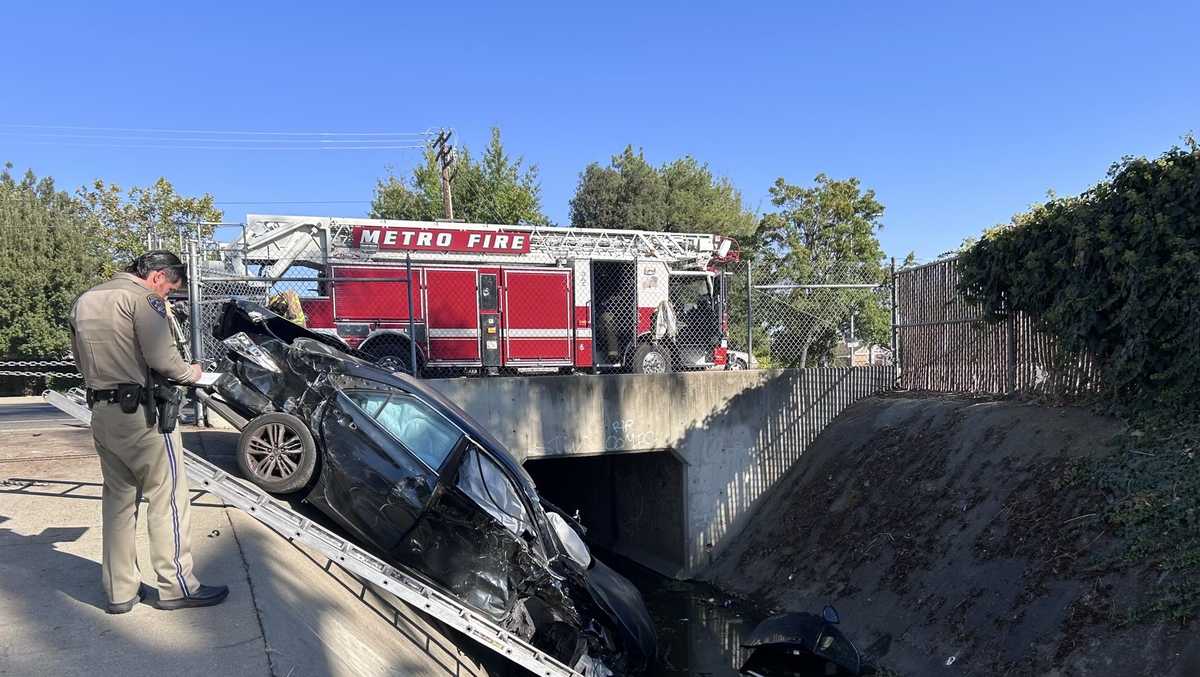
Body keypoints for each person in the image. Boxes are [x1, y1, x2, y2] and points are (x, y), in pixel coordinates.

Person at [69, 250, 228, 614]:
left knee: (118, 502)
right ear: (158, 277)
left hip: (103, 412)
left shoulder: (85, 301)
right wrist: (194, 373)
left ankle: (120, 591)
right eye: (170, 289)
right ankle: (177, 586)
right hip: (145, 415)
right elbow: (163, 360)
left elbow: (79, 360)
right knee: (168, 498)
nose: (167, 296)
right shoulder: (144, 300)